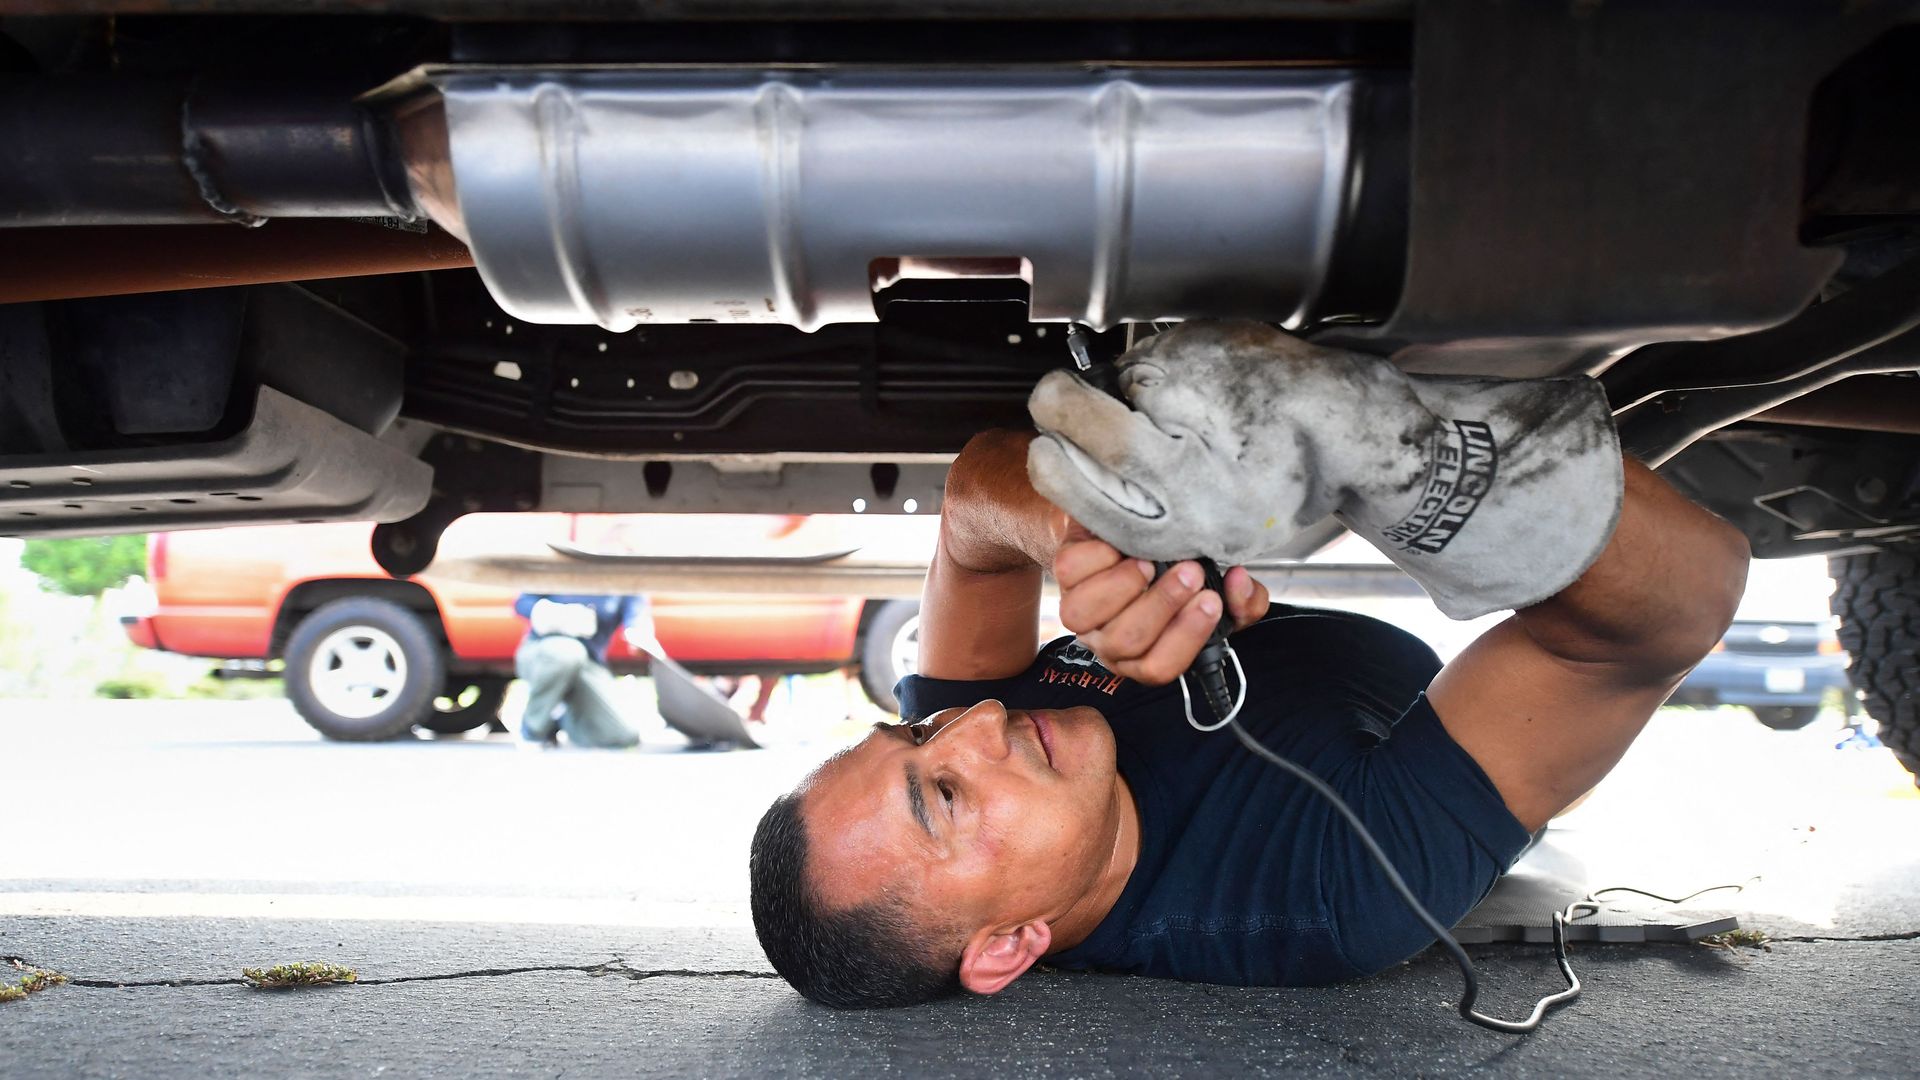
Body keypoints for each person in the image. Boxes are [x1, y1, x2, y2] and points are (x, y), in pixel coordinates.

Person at [748, 321, 1749, 1007]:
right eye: (947, 801)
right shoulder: (1328, 892)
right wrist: (1397, 449)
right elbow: (1670, 612)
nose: (973, 726)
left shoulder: (998, 737)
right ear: (1009, 947)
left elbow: (972, 501)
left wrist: (1087, 536)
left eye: (914, 731)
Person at [512, 592, 651, 749]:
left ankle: (563, 718)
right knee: (567, 652)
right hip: (543, 651)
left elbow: (637, 617)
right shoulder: (561, 568)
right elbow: (521, 604)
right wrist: (560, 614)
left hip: (588, 664)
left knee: (624, 736)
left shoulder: (623, 580)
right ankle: (532, 730)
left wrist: (638, 636)